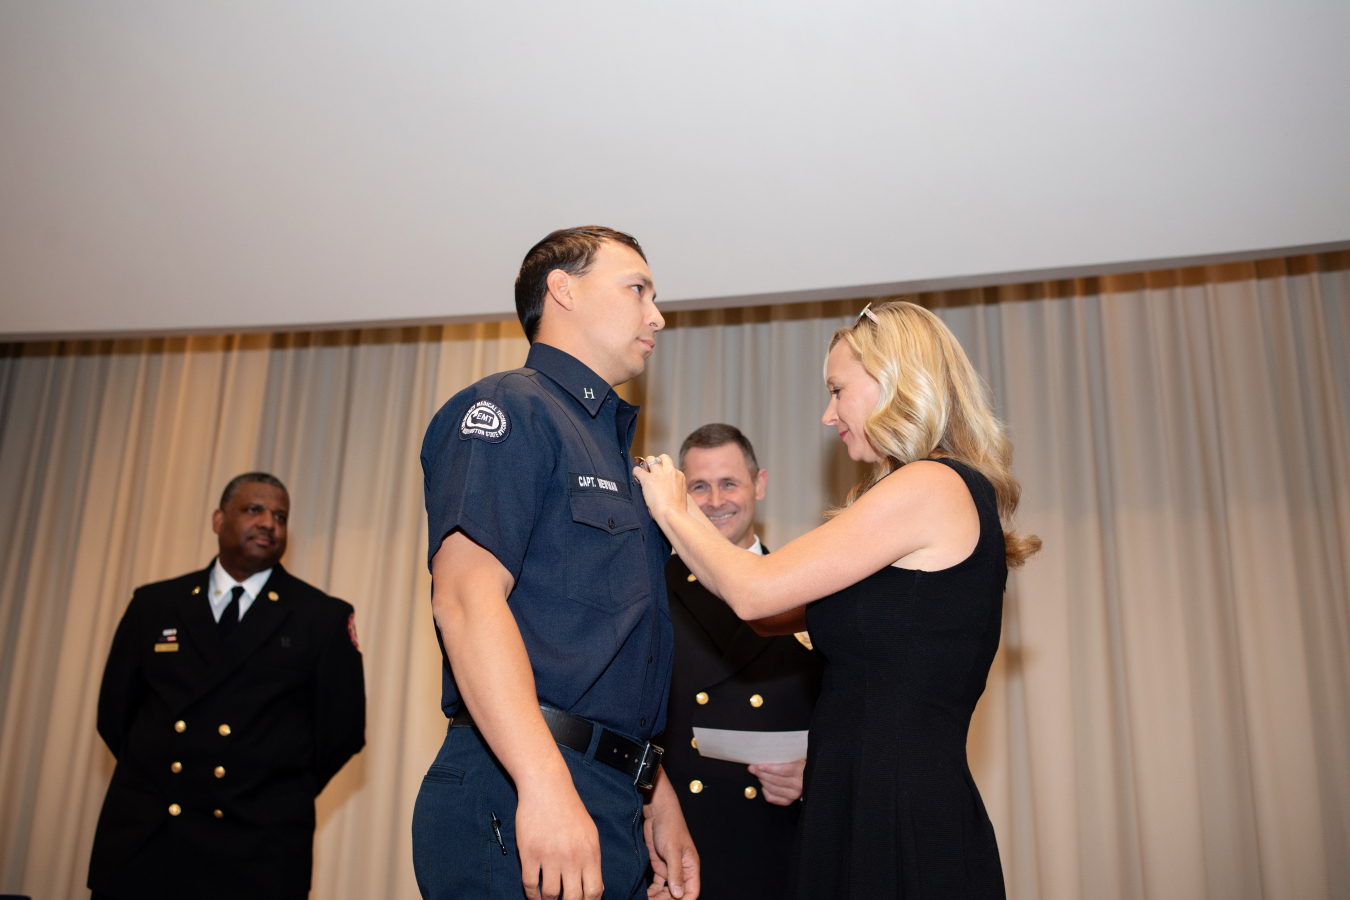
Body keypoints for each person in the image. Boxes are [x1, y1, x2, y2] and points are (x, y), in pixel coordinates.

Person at [633, 299, 1041, 899]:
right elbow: (774, 615)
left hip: (897, 808)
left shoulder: (931, 483)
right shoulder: (927, 492)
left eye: (837, 390)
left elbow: (753, 592)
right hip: (858, 797)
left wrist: (673, 505)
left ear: (893, 383)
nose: (829, 415)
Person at [413, 226, 699, 900]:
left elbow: (617, 656)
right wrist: (542, 784)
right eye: (638, 290)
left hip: (610, 794)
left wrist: (655, 795)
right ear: (562, 291)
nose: (657, 315)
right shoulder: (509, 409)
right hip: (519, 781)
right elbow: (464, 600)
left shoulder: (622, 462)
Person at [88, 472, 367, 900]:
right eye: (254, 510)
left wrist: (271, 788)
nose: (269, 524)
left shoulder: (321, 618)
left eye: (280, 516)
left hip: (256, 848)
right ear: (219, 519)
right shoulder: (155, 604)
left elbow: (342, 731)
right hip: (149, 838)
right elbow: (115, 714)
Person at [659, 424, 822, 900]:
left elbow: (849, 710)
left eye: (729, 483)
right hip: (679, 850)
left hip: (775, 847)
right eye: (698, 487)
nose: (714, 501)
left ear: (760, 484)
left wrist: (816, 772)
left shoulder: (805, 585)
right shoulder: (647, 589)